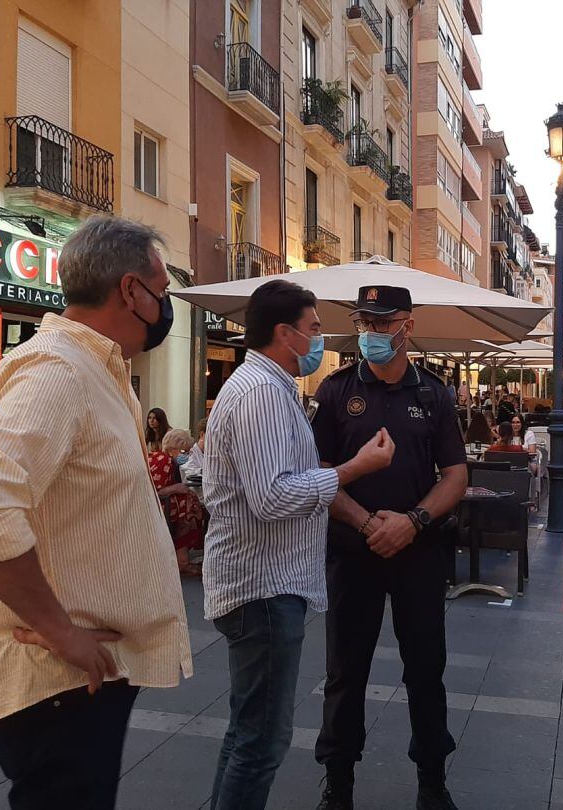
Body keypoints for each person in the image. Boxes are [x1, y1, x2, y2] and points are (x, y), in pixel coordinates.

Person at [0, 216, 193, 809]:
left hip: (81, 678)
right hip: (59, 681)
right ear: (131, 291)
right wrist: (61, 632)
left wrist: (141, 501)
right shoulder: (59, 372)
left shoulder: (99, 371)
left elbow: (69, 492)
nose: (163, 308)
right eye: (160, 292)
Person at [201, 279, 394, 810]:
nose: (318, 340)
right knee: (262, 741)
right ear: (284, 333)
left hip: (264, 581)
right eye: (312, 329)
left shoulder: (269, 388)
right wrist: (356, 468)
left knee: (247, 733)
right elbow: (272, 497)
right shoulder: (261, 393)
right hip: (262, 587)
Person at [310, 285, 468, 810]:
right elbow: (315, 474)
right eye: (366, 322)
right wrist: (364, 524)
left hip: (418, 552)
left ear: (408, 325)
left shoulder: (434, 394)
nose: (373, 332)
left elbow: (456, 474)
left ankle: (432, 779)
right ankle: (339, 782)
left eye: (384, 322)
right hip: (353, 552)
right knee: (344, 671)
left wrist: (414, 521)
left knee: (426, 668)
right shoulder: (335, 391)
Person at [150, 428, 205, 578]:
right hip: (159, 505)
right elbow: (156, 491)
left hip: (155, 505)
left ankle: (182, 559)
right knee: (190, 508)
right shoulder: (164, 461)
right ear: (174, 448)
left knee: (189, 501)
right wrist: (176, 488)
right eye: (183, 451)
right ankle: (183, 561)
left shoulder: (158, 457)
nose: (185, 455)